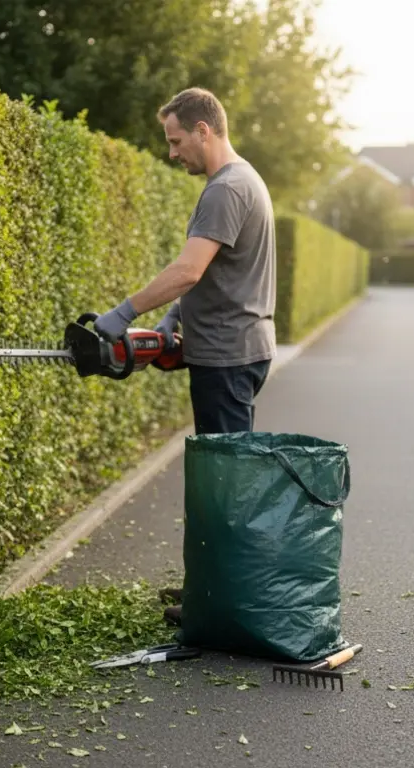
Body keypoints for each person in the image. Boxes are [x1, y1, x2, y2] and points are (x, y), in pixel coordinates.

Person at [90, 87, 277, 625]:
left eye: (175, 141)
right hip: (234, 348)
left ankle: (222, 604)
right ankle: (208, 584)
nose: (172, 153)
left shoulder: (226, 189)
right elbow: (217, 273)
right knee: (220, 477)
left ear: (203, 130)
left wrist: (125, 311)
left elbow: (188, 270)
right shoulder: (243, 179)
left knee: (225, 486)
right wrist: (173, 321)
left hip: (227, 357)